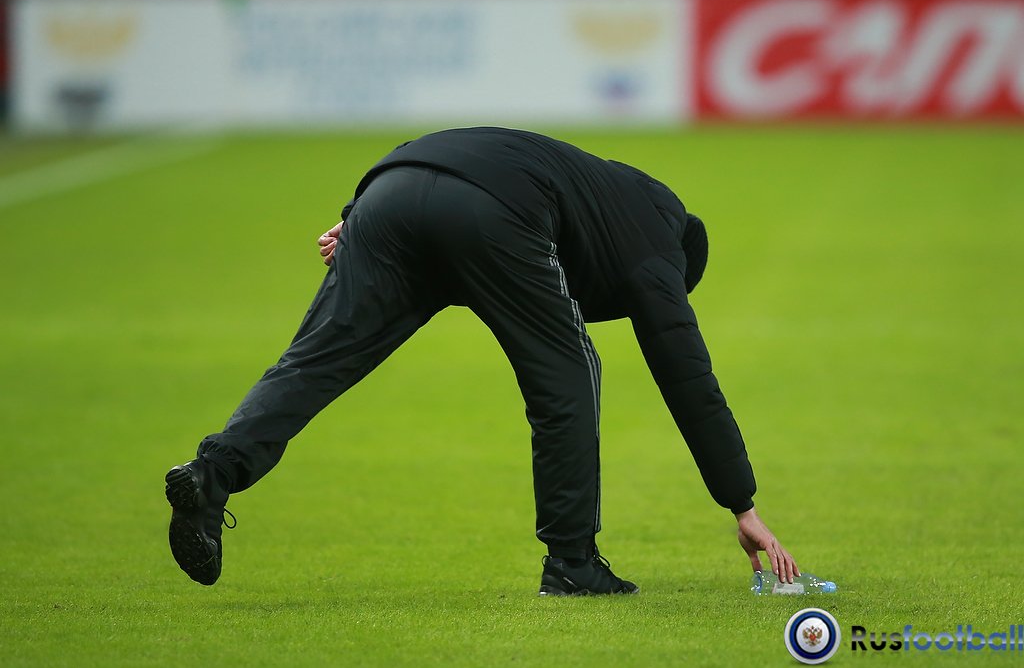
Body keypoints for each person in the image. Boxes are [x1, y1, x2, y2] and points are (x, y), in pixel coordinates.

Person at [165, 127, 799, 595]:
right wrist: (741, 505)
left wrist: (356, 219)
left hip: (390, 186)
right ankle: (572, 565)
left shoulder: (609, 195)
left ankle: (212, 473)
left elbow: (458, 161)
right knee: (571, 373)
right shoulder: (658, 248)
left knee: (316, 360)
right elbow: (689, 379)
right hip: (488, 210)